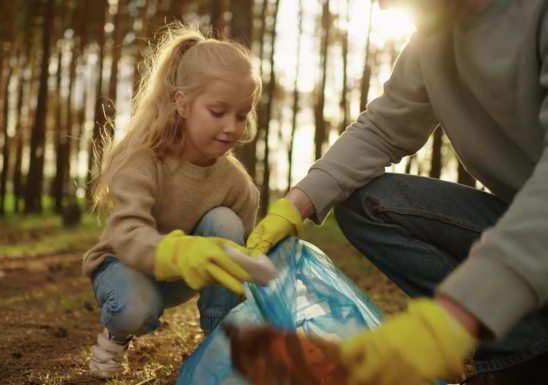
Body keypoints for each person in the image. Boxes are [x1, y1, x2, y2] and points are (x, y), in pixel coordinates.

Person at [246, 1, 548, 384]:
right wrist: (294, 206)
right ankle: (526, 351)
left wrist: (462, 312)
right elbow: (384, 128)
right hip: (528, 226)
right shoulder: (434, 35)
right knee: (370, 204)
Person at [81, 24, 262, 378]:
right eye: (218, 111)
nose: (231, 127)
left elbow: (245, 253)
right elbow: (127, 234)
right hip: (124, 267)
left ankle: (217, 341)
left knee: (226, 222)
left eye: (241, 115)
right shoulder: (144, 159)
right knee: (136, 308)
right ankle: (115, 338)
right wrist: (182, 252)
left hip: (182, 276)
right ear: (182, 103)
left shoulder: (236, 182)